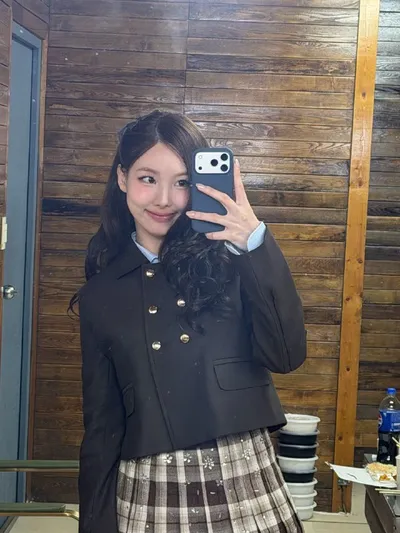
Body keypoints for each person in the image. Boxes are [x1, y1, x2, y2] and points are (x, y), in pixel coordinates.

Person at [74, 110, 307, 533]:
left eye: (182, 182)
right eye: (148, 179)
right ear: (122, 178)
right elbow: (102, 425)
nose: (164, 199)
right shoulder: (101, 294)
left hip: (242, 472)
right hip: (149, 482)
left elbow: (286, 355)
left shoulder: (232, 260)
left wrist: (253, 241)